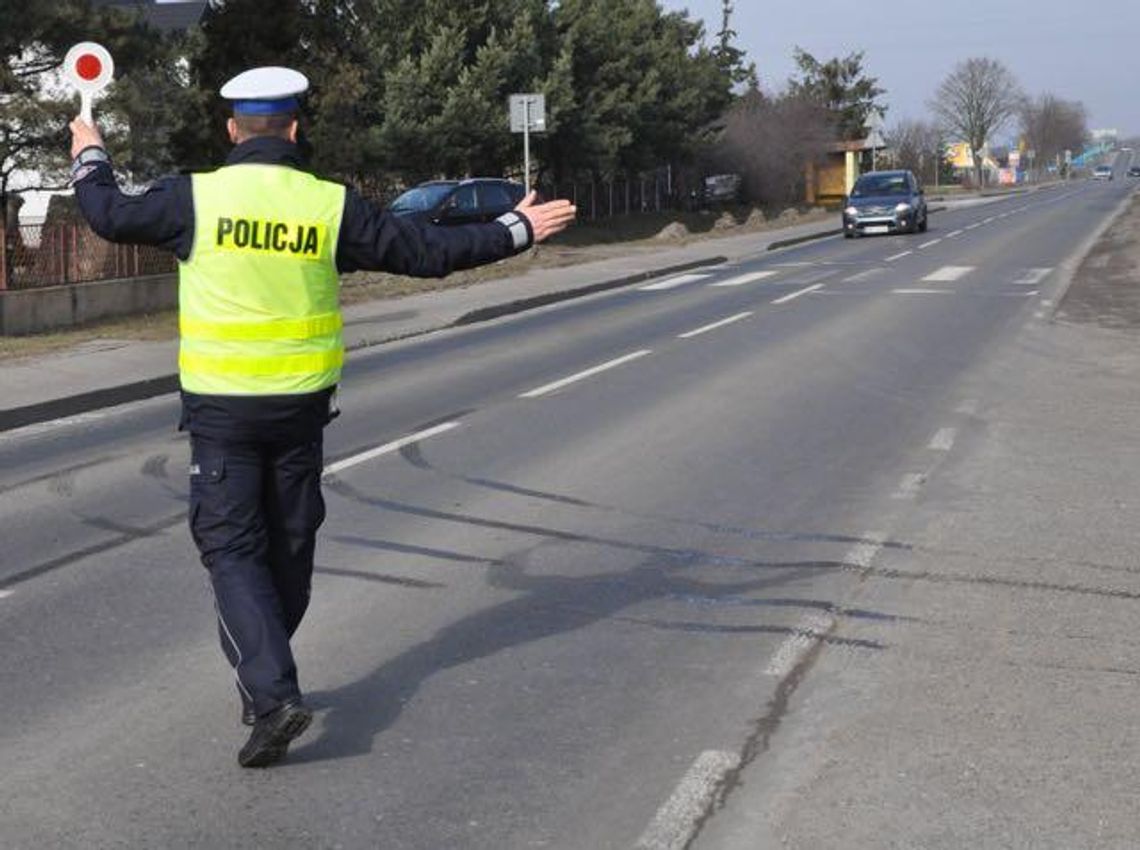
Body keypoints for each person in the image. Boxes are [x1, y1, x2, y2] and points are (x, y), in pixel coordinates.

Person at [69, 66, 576, 768]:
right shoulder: (328, 205)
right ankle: (267, 681)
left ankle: (272, 694)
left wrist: (89, 150)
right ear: (296, 129)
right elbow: (426, 253)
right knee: (290, 548)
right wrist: (514, 230)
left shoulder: (196, 199)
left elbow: (107, 213)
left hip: (222, 413)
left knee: (231, 551)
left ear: (231, 129)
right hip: (301, 412)